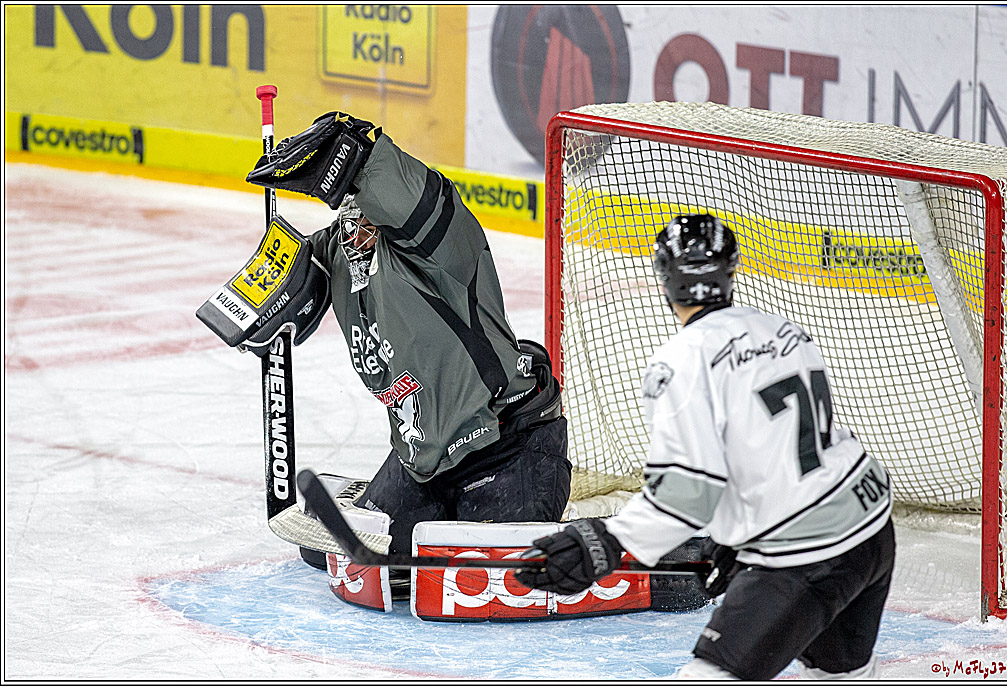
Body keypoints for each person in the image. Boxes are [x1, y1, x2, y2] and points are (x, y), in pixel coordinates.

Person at [515, 214, 895, 680]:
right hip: (871, 525)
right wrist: (732, 536)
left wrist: (609, 541)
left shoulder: (680, 363)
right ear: (730, 270)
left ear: (664, 277)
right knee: (840, 675)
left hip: (807, 553)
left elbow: (686, 494)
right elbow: (772, 454)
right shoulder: (784, 331)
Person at [245, 112, 572, 575]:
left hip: (506, 446)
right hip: (423, 462)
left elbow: (414, 195)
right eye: (347, 221)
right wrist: (255, 299)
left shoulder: (441, 250)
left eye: (367, 220)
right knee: (325, 552)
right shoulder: (337, 255)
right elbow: (282, 278)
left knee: (490, 577)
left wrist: (362, 158)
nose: (354, 233)